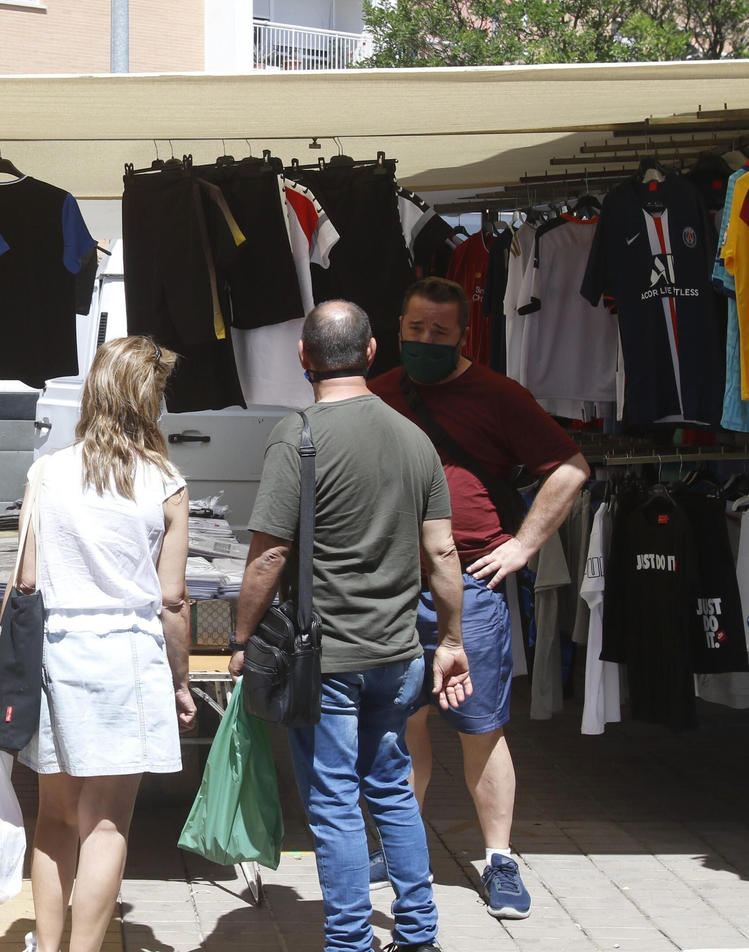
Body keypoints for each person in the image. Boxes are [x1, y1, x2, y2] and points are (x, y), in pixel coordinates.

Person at [230, 301, 470, 952]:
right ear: (371, 353)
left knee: (333, 800)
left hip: (326, 660)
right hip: (398, 653)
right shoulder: (414, 438)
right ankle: (418, 934)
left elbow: (270, 555)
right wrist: (451, 640)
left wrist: (242, 638)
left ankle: (349, 942)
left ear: (302, 357)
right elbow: (444, 552)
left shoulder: (297, 436)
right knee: (391, 788)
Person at [0, 336, 197, 952]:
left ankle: (47, 943)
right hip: (130, 655)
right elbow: (173, 600)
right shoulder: (166, 482)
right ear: (148, 400)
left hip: (56, 652)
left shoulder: (48, 471)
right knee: (107, 822)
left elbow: (24, 582)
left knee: (56, 816)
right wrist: (181, 679)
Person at [371, 277, 589, 920]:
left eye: (440, 332)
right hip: (391, 588)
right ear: (398, 328)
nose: (426, 341)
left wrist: (524, 545)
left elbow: (571, 468)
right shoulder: (377, 394)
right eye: (416, 329)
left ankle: (499, 860)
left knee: (480, 729)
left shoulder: (499, 396)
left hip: (470, 587)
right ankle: (400, 845)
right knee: (401, 723)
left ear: (464, 336)